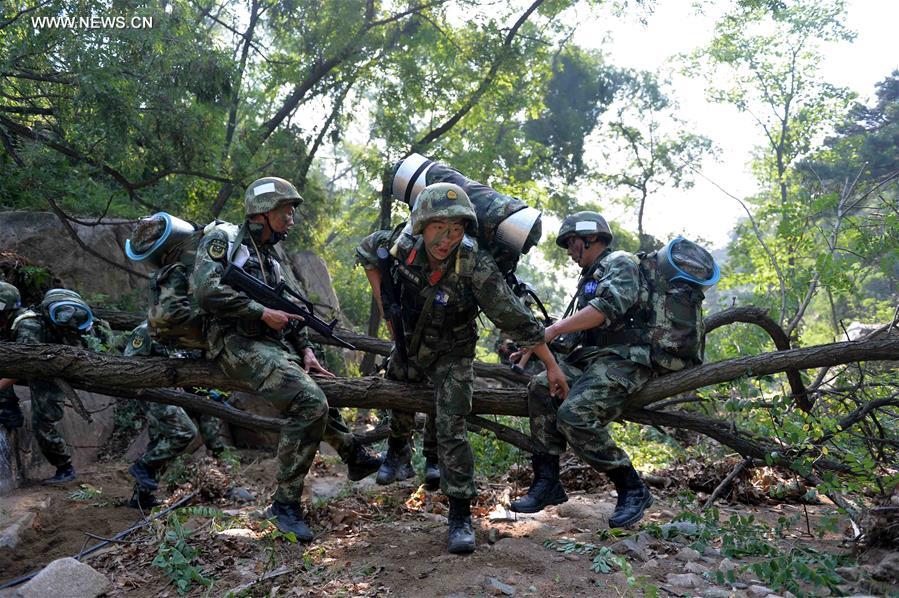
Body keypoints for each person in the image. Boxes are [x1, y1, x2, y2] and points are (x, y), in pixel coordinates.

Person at [356, 182, 569, 554]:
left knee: (452, 423)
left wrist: (550, 365)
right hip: (410, 343)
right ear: (422, 224)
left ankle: (459, 516)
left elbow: (515, 317)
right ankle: (398, 451)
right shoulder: (402, 244)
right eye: (439, 228)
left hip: (453, 350)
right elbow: (367, 253)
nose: (447, 238)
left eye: (456, 230)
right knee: (398, 388)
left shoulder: (474, 263)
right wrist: (384, 303)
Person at [190, 176, 381, 541]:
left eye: (292, 210)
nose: (291, 217)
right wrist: (258, 311)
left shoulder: (270, 258)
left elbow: (286, 312)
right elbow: (205, 290)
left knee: (318, 390)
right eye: (285, 210)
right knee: (308, 401)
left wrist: (306, 348)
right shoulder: (224, 241)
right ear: (262, 213)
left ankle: (354, 454)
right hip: (233, 342)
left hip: (271, 344)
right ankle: (285, 505)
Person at [509, 211, 654, 528]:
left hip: (626, 358)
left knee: (573, 415)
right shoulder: (588, 281)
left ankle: (631, 487)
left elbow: (607, 308)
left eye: (572, 243)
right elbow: (571, 336)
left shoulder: (620, 262)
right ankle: (547, 482)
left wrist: (553, 331)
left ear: (590, 238)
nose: (570, 251)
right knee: (538, 387)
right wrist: (531, 347)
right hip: (594, 358)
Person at [0, 287, 115, 484]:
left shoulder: (28, 326)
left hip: (49, 370)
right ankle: (9, 410)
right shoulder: (13, 322)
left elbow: (23, 367)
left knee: (43, 423)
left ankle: (65, 467)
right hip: (38, 366)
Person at [122, 322, 230, 509]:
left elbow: (193, 366)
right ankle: (143, 465)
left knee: (162, 442)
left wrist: (205, 391)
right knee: (183, 432)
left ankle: (141, 497)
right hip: (151, 390)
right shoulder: (146, 331)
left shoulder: (195, 333)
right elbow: (129, 365)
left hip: (178, 392)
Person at [0, 282, 25, 429]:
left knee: (45, 418)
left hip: (46, 369)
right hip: (17, 363)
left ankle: (9, 411)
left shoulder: (27, 325)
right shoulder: (6, 319)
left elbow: (23, 366)